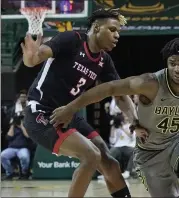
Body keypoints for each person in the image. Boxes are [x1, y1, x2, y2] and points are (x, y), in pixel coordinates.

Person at [50, 38, 179, 198]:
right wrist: (71, 107)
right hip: (150, 153)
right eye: (172, 63)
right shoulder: (150, 83)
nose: (177, 68)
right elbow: (110, 87)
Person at [21, 8, 139, 198]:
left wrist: (135, 121)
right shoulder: (72, 39)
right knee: (91, 156)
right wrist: (30, 57)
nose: (117, 35)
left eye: (118, 32)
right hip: (40, 112)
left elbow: (121, 95)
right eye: (112, 30)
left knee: (110, 163)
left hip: (68, 114)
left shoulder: (104, 61)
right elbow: (36, 57)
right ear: (97, 27)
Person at [1, 115, 30, 180]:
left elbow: (28, 136)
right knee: (2, 156)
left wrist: (22, 127)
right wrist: (12, 125)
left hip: (22, 148)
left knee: (24, 157)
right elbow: (9, 137)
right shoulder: (12, 128)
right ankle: (10, 173)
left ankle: (24, 173)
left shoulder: (25, 127)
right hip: (12, 148)